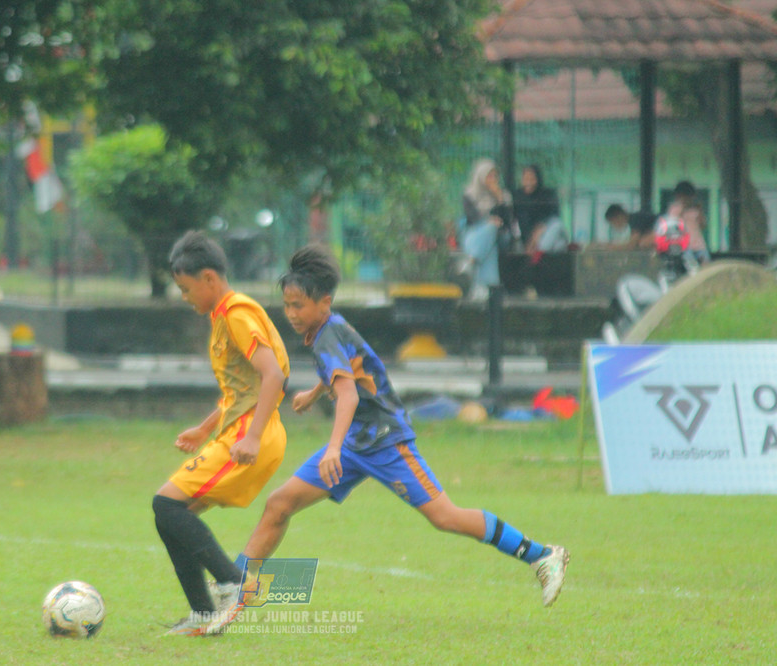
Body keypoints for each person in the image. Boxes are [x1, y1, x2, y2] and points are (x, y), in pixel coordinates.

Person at [208, 244, 570, 634]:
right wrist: (315, 392)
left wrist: (332, 446)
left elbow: (347, 394)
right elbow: (352, 369)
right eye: (288, 305)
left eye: (299, 305)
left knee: (446, 517)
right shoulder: (328, 328)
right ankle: (237, 591)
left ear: (324, 302)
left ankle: (542, 555)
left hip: (384, 442)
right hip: (355, 444)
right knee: (279, 504)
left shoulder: (327, 334)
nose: (292, 315)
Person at [153, 230, 291, 637]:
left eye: (186, 288)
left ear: (210, 279)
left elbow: (274, 375)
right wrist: (205, 427)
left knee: (166, 505)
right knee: (171, 516)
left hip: (252, 436)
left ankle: (235, 582)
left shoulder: (236, 313)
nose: (184, 296)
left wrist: (250, 437)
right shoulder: (224, 315)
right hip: (240, 430)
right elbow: (242, 388)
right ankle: (201, 613)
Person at [460, 158, 511, 299]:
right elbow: (471, 218)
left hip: (499, 235)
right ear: (481, 176)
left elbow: (507, 222)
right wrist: (488, 221)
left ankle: (471, 262)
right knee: (490, 244)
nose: (493, 179)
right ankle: (486, 288)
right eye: (489, 175)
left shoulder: (504, 195)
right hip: (475, 235)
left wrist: (499, 198)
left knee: (492, 229)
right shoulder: (470, 194)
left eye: (495, 176)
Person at [513, 164, 560, 251]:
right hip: (527, 240)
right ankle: (538, 252)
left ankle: (539, 251)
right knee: (558, 245)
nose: (529, 182)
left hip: (546, 234)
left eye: (532, 179)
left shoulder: (547, 194)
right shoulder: (518, 196)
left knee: (557, 226)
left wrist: (541, 227)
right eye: (526, 179)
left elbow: (554, 215)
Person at [671, 181, 710, 264]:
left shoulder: (695, 209)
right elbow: (674, 224)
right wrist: (683, 208)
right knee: (692, 268)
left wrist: (700, 211)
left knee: (706, 266)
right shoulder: (674, 208)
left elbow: (703, 225)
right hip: (684, 247)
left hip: (699, 245)